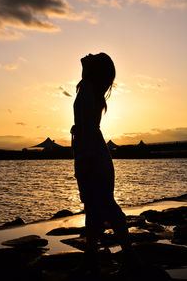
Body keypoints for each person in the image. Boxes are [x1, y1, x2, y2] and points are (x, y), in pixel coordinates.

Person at [71, 52, 134, 274]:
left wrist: (85, 157)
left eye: (93, 56)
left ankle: (123, 255)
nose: (88, 54)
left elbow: (87, 126)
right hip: (91, 150)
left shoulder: (88, 88)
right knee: (97, 206)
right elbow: (86, 123)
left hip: (91, 153)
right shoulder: (90, 87)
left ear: (94, 70)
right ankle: (94, 257)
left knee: (103, 205)